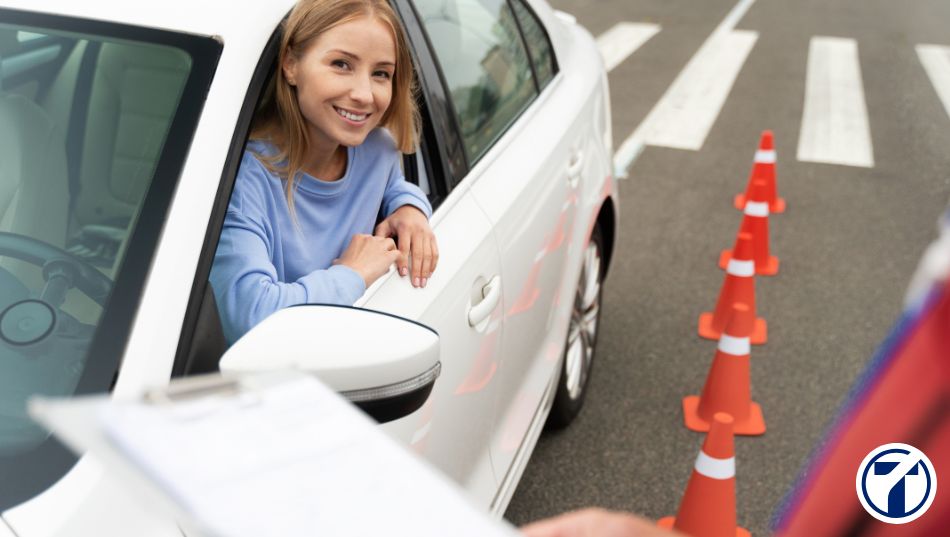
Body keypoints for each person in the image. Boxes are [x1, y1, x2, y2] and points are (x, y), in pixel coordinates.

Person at [210, 0, 438, 344]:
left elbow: (393, 183)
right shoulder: (243, 181)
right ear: (290, 64)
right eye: (341, 64)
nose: (364, 95)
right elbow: (252, 318)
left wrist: (410, 208)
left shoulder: (378, 149)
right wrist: (351, 274)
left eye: (381, 73)